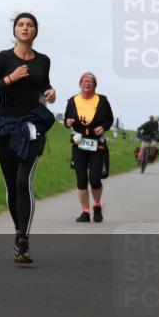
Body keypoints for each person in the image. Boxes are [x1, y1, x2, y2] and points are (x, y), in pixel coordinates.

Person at [0, 13, 56, 261]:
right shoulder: (4, 58)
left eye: (30, 25)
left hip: (31, 127)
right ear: (15, 30)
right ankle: (17, 230)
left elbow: (43, 89)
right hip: (5, 126)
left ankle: (23, 239)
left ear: (36, 32)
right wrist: (9, 79)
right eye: (21, 25)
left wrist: (50, 93)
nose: (25, 28)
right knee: (12, 184)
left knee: (24, 182)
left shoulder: (43, 60)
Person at [63, 72, 113, 223]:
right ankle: (85, 212)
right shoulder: (72, 101)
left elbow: (109, 119)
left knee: (95, 178)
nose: (87, 84)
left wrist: (103, 127)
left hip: (97, 144)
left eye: (90, 81)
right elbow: (66, 120)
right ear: (80, 83)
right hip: (79, 143)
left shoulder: (102, 101)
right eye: (85, 81)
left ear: (95, 85)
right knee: (81, 179)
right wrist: (68, 122)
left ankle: (97, 206)